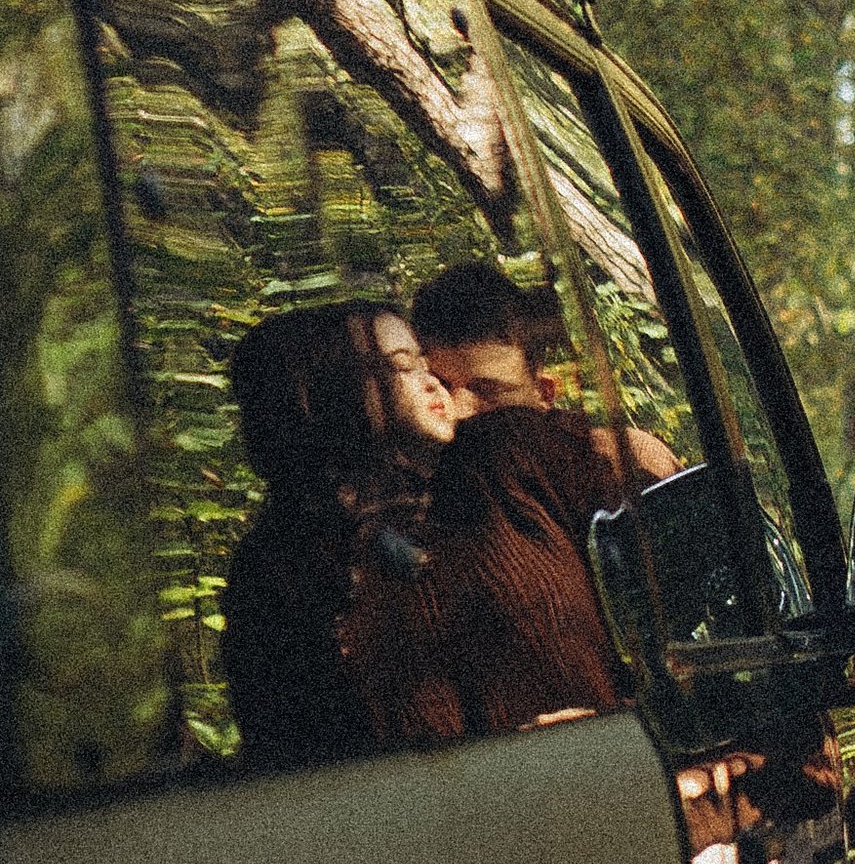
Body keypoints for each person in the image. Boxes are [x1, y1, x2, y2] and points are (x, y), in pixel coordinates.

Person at [224, 296, 623, 766]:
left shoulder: (515, 459)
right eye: (400, 367)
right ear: (331, 393)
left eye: (423, 362)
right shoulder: (277, 570)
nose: (433, 381)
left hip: (610, 770)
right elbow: (289, 754)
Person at [413, 256, 681, 479]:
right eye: (441, 385)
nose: (458, 411)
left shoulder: (627, 460)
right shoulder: (420, 489)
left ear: (544, 393)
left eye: (487, 391)